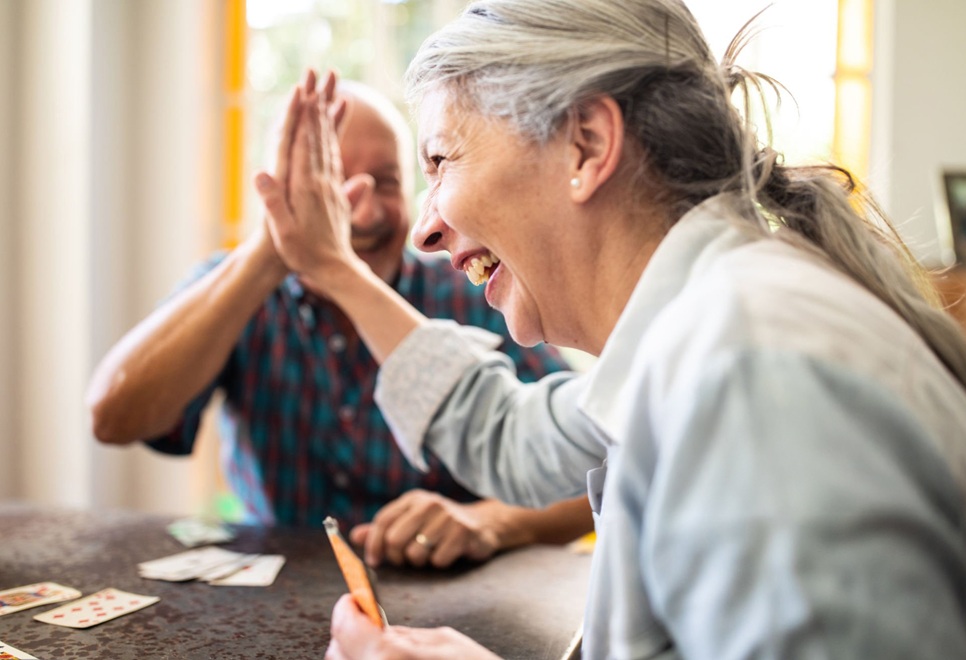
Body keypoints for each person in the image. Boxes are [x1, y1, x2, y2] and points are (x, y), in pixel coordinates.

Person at [254, 1, 966, 658]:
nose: (424, 229)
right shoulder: (701, 329)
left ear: (585, 144)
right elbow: (514, 437)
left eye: (441, 159)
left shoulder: (749, 374)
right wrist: (333, 266)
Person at [86, 75, 594, 570]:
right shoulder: (229, 285)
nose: (364, 208)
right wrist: (274, 250)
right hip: (274, 592)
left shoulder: (473, 288)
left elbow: (590, 457)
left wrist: (487, 522)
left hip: (444, 594)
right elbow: (115, 417)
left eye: (388, 182)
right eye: (331, 183)